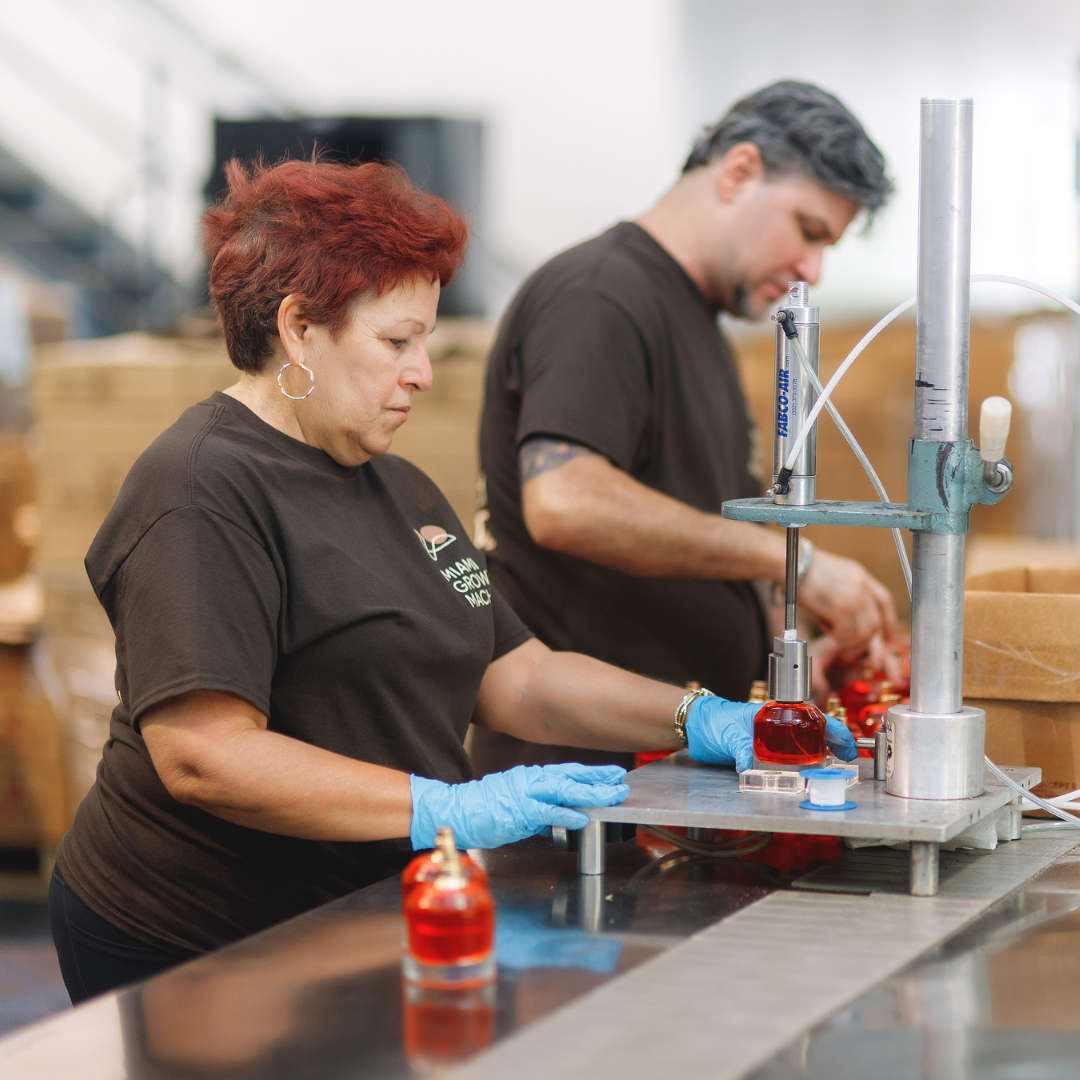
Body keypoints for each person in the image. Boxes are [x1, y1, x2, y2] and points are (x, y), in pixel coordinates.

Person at [48, 159, 859, 1004]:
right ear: (298, 329)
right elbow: (205, 755)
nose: (422, 373)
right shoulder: (201, 486)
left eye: (425, 341)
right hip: (199, 941)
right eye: (396, 342)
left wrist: (702, 717)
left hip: (353, 915)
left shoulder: (397, 488)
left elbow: (520, 679)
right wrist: (445, 807)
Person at [472, 80, 898, 776]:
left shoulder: (696, 320)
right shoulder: (601, 296)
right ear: (738, 173)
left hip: (676, 772)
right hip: (587, 787)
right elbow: (566, 502)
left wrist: (787, 668)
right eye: (808, 230)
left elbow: (695, 531)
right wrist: (795, 564)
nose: (811, 268)